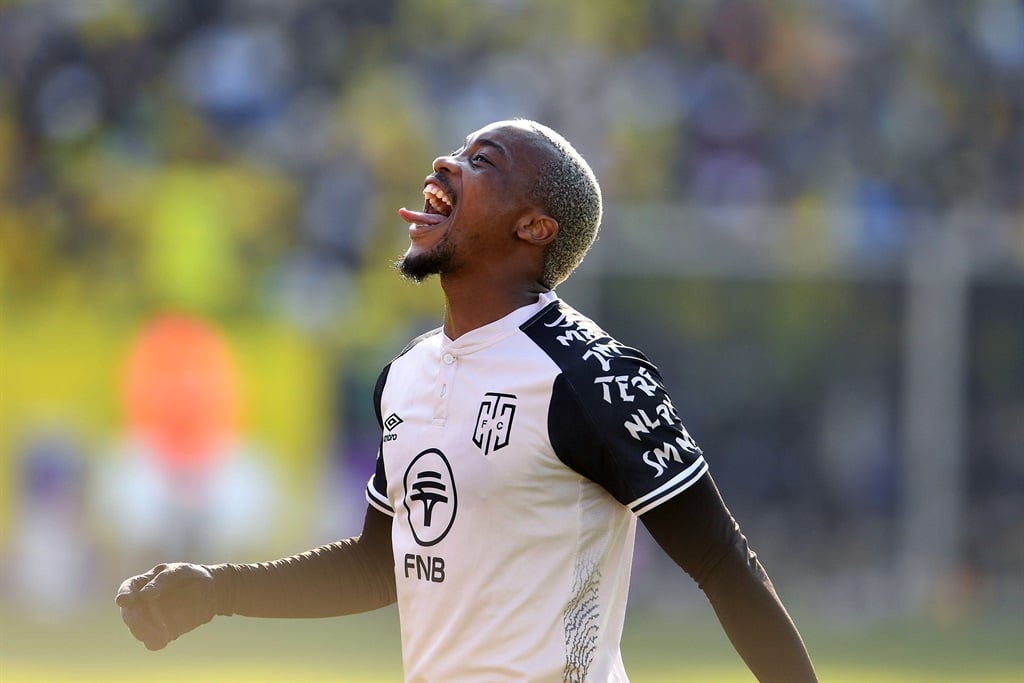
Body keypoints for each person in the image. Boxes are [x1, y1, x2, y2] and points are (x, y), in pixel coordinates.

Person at [116, 119, 818, 682]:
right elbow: (377, 561)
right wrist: (217, 589)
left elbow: (723, 561)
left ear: (535, 227)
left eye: (483, 161)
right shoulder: (408, 375)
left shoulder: (590, 376)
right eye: (456, 151)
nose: (447, 164)